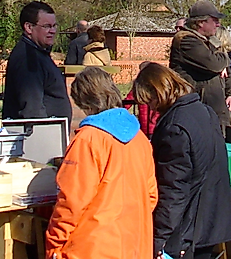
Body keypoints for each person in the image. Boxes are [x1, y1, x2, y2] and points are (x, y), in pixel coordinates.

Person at [45, 68, 158, 259]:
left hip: (90, 247)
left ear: (84, 102)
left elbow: (71, 200)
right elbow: (151, 196)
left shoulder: (88, 139)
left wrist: (54, 243)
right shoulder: (140, 139)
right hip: (135, 245)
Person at [132, 63, 231, 259]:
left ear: (158, 92)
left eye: (150, 100)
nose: (151, 107)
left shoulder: (174, 127)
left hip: (188, 228)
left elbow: (173, 189)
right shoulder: (205, 112)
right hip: (211, 220)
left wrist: (158, 237)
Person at [169, 1, 231, 140]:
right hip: (198, 113)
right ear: (201, 23)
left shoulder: (207, 41)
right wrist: (223, 57)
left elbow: (226, 72)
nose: (218, 24)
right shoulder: (186, 40)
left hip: (215, 112)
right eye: (215, 20)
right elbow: (215, 64)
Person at [2, 1, 72, 122]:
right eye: (47, 26)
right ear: (29, 27)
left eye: (54, 25)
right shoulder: (28, 59)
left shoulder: (39, 54)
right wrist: (43, 135)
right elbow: (32, 109)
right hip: (40, 136)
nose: (53, 31)